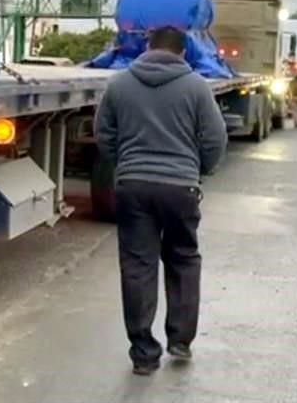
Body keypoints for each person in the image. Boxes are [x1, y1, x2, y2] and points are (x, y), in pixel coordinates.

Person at [96, 26, 228, 376]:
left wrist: (124, 164)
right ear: (183, 53)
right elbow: (215, 138)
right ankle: (180, 340)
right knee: (184, 258)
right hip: (181, 186)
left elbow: (104, 134)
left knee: (138, 266)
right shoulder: (197, 86)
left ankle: (143, 353)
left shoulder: (119, 84)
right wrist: (200, 170)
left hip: (133, 185)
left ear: (147, 48)